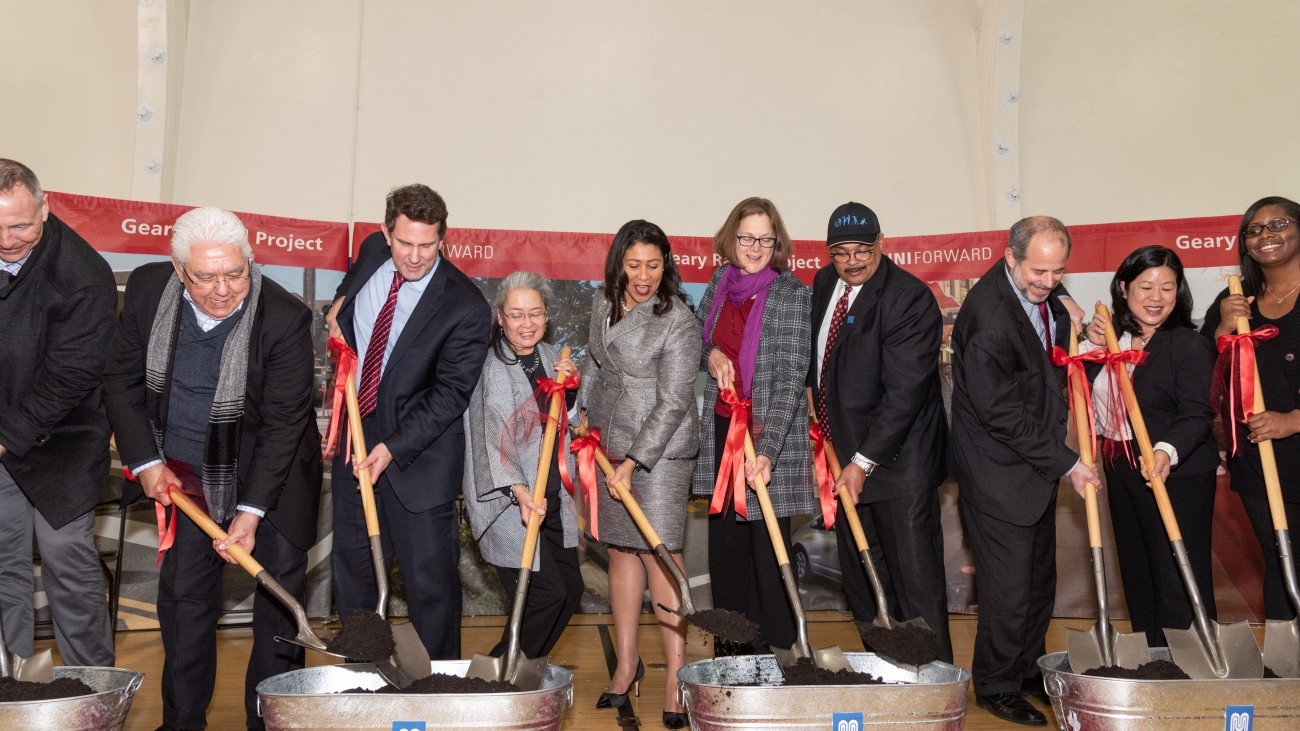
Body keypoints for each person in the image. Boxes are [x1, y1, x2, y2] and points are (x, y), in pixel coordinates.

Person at [102, 206, 321, 731]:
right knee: (184, 604)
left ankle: (270, 722)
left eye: (235, 273)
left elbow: (283, 426)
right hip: (184, 477)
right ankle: (182, 723)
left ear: (250, 261)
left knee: (277, 615)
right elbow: (121, 382)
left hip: (274, 477)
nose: (223, 289)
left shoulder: (286, 317)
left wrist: (250, 512)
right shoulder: (150, 291)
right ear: (180, 271)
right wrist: (147, 463)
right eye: (206, 277)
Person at [324, 184, 491, 660]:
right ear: (385, 233)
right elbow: (348, 294)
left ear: (443, 238)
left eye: (427, 245)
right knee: (354, 578)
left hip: (418, 454)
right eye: (404, 243)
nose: (414, 257)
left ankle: (434, 689)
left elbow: (450, 394)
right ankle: (361, 679)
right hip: (356, 440)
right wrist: (337, 306)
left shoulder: (465, 305)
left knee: (430, 588)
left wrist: (394, 446)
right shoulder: (373, 250)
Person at [950, 215, 1099, 726]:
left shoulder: (1037, 295)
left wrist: (1063, 306)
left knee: (1038, 582)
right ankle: (995, 684)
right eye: (1039, 271)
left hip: (1029, 470)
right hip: (998, 472)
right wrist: (1069, 462)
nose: (1049, 281)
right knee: (1008, 592)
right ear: (1009, 256)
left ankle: (1027, 669)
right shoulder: (989, 320)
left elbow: (1048, 321)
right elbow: (1002, 415)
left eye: (1058, 272)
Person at [806, 201, 952, 662]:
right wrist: (813, 389)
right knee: (864, 581)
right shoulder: (825, 283)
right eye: (841, 252)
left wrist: (863, 461)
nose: (852, 261)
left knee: (914, 582)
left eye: (862, 250)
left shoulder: (909, 299)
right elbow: (823, 355)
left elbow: (904, 395)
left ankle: (933, 677)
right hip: (843, 458)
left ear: (881, 244)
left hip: (898, 463)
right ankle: (886, 667)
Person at [579, 219, 699, 730]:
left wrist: (633, 462)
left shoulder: (679, 320)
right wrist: (581, 412)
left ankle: (677, 674)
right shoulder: (602, 303)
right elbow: (594, 362)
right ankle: (627, 663)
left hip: (660, 454)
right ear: (618, 264)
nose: (643, 276)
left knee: (662, 557)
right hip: (609, 442)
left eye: (653, 265)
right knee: (622, 551)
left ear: (666, 264)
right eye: (633, 265)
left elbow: (674, 401)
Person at [0, 158, 116, 668]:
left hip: (65, 434)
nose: (7, 240)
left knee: (65, 554)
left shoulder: (83, 274)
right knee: (3, 556)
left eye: (20, 225)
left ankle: (91, 688)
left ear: (45, 209)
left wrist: (6, 436)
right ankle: (10, 677)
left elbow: (69, 377)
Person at [691, 197, 812, 656]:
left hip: (767, 437)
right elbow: (699, 339)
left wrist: (768, 452)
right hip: (724, 433)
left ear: (776, 242)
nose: (755, 247)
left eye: (765, 238)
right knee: (726, 551)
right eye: (746, 237)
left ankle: (778, 656)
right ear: (731, 239)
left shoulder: (792, 294)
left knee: (767, 553)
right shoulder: (721, 282)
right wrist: (714, 355)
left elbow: (788, 379)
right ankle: (732, 654)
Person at [1081, 246, 1218, 647]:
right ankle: (1151, 654)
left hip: (1176, 469)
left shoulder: (1185, 345)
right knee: (1138, 567)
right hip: (1122, 466)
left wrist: (1165, 450)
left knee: (1176, 569)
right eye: (1146, 286)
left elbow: (1197, 413)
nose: (1156, 297)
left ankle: (1190, 658)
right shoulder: (1111, 341)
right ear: (1124, 287)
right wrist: (1090, 347)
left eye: (1168, 287)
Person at [462, 270, 583, 659]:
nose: (526, 323)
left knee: (571, 592)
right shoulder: (491, 369)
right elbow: (489, 442)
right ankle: (500, 671)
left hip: (551, 499)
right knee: (548, 594)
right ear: (500, 317)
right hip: (510, 504)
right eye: (516, 314)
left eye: (535, 313)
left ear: (547, 316)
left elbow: (573, 420)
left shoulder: (551, 357)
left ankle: (526, 670)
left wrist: (573, 390)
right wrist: (519, 490)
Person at [1202, 196, 1300, 622]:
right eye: (1254, 230)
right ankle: (1284, 673)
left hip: (1291, 437)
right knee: (1281, 561)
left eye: (1277, 224)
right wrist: (1223, 329)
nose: (1266, 236)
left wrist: (1292, 420)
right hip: (1261, 459)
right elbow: (1204, 376)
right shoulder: (1233, 298)